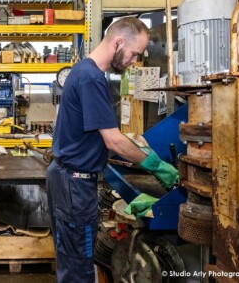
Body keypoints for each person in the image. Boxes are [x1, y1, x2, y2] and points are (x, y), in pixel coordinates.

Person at [46, 17, 179, 283]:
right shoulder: (91, 78)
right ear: (118, 42)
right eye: (134, 54)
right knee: (79, 268)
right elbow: (114, 141)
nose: (134, 61)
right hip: (75, 186)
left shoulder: (84, 71)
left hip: (67, 179)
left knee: (70, 262)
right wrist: (155, 164)